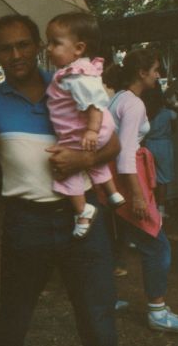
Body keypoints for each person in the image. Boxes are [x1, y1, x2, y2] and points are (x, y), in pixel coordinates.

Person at [0, 15, 119, 346]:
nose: (15, 55)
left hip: (82, 217)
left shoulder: (72, 80)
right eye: (5, 49)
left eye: (23, 44)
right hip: (26, 222)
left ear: (38, 46)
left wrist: (83, 159)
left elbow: (113, 144)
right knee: (13, 318)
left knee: (97, 315)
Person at [106, 48, 178, 332]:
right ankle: (157, 311)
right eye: (155, 70)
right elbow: (125, 154)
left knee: (114, 241)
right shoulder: (133, 104)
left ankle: (105, 299)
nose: (158, 75)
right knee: (158, 247)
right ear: (142, 73)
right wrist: (139, 196)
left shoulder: (119, 98)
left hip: (113, 180)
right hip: (127, 180)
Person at [44, 12, 125, 238]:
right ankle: (112, 193)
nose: (48, 48)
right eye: (48, 42)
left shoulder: (74, 75)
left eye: (55, 43)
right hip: (97, 129)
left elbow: (93, 104)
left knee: (66, 168)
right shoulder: (80, 70)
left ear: (78, 48)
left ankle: (82, 210)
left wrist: (91, 129)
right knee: (93, 160)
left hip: (86, 129)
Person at [142, 81, 177, 218]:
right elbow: (174, 129)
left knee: (149, 177)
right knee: (162, 179)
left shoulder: (145, 113)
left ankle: (150, 206)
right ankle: (161, 209)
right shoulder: (169, 113)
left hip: (148, 144)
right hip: (164, 146)